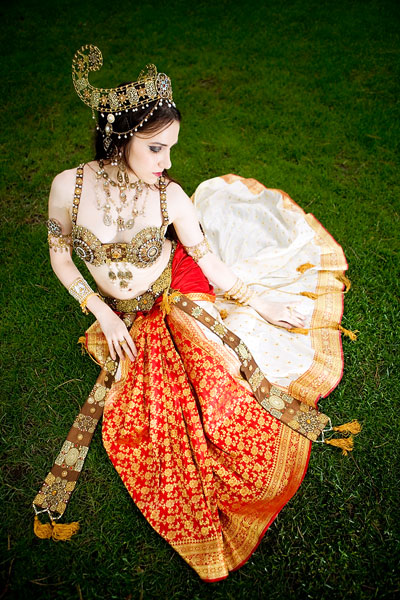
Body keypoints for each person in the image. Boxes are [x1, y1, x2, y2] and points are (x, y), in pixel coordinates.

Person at [34, 45, 358, 581]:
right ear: (120, 137)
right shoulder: (68, 187)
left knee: (216, 394)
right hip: (121, 311)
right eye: (156, 148)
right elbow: (60, 256)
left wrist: (256, 300)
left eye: (171, 149)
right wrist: (102, 313)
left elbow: (209, 262)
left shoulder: (171, 197)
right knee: (146, 416)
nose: (167, 163)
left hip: (176, 286)